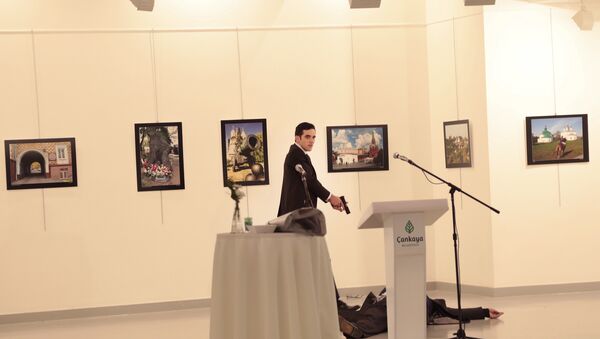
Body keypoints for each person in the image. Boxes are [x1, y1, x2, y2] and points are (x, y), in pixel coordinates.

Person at [338, 289, 503, 338]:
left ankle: (359, 331)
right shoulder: (391, 289)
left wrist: (484, 311)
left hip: (405, 306)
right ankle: (357, 329)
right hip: (387, 304)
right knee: (381, 315)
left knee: (383, 316)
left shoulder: (429, 303)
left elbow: (455, 312)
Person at [278, 122, 344, 216]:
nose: (312, 141)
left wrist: (330, 199)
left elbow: (309, 182)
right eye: (307, 137)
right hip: (296, 213)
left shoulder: (302, 155)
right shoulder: (295, 155)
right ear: (297, 138)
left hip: (299, 213)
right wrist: (330, 197)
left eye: (313, 137)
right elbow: (310, 180)